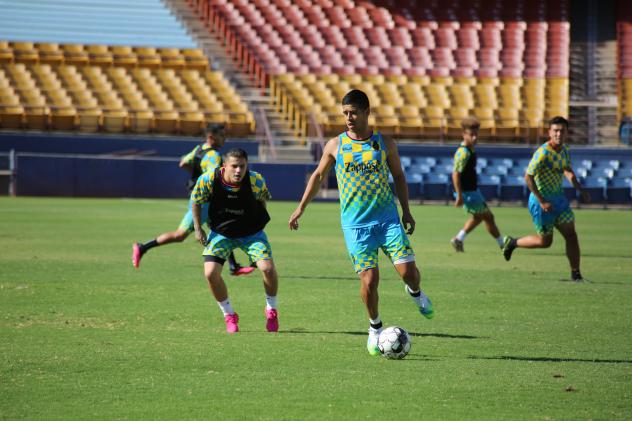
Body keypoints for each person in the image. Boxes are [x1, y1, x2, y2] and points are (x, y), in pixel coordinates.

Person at [288, 89, 434, 356]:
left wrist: (407, 212)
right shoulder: (336, 145)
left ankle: (415, 293)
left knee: (409, 273)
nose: (348, 118)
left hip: (388, 219)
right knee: (370, 280)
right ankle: (375, 328)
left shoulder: (385, 143)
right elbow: (319, 176)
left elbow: (399, 177)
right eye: (345, 113)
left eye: (353, 112)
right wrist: (300, 208)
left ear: (367, 112)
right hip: (356, 226)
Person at [132, 123, 253, 276]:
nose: (225, 138)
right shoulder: (214, 155)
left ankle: (233, 266)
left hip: (198, 197)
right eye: (222, 135)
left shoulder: (198, 149)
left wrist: (196, 177)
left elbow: (183, 163)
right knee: (183, 234)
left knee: (220, 228)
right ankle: (142, 247)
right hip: (205, 201)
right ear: (211, 137)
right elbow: (214, 179)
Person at [191, 148, 279, 333]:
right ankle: (229, 314)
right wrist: (198, 229)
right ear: (225, 166)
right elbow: (196, 201)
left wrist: (258, 224)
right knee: (210, 274)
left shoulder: (255, 179)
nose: (238, 170)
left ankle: (271, 310)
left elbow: (263, 201)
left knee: (268, 269)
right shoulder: (208, 179)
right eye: (234, 166)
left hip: (251, 233)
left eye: (242, 166)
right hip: (221, 233)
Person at [502, 116, 590, 281]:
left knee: (571, 235)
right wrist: (542, 200)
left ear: (566, 133)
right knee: (545, 242)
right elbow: (528, 177)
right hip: (541, 202)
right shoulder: (542, 153)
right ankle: (513, 243)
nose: (558, 134)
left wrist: (580, 188)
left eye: (562, 131)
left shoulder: (565, 150)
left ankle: (576, 274)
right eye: (555, 130)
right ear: (549, 132)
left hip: (559, 201)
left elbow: (567, 170)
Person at [450, 118, 504, 252]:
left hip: (472, 191)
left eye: (476, 134)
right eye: (471, 135)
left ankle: (459, 239)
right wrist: (459, 196)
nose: (474, 137)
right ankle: (503, 244)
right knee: (488, 217)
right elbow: (455, 174)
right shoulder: (463, 152)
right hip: (468, 193)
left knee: (479, 217)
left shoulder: (470, 149)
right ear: (464, 134)